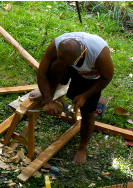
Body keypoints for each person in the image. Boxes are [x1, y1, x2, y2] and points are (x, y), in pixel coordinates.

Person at [36, 32, 114, 164]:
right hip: (71, 64)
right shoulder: (56, 45)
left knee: (87, 111)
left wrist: (85, 95)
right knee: (55, 66)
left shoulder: (100, 55)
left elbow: (107, 77)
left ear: (81, 54)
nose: (64, 64)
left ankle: (82, 148)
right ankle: (49, 92)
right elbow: (42, 72)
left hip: (90, 76)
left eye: (68, 63)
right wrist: (48, 101)